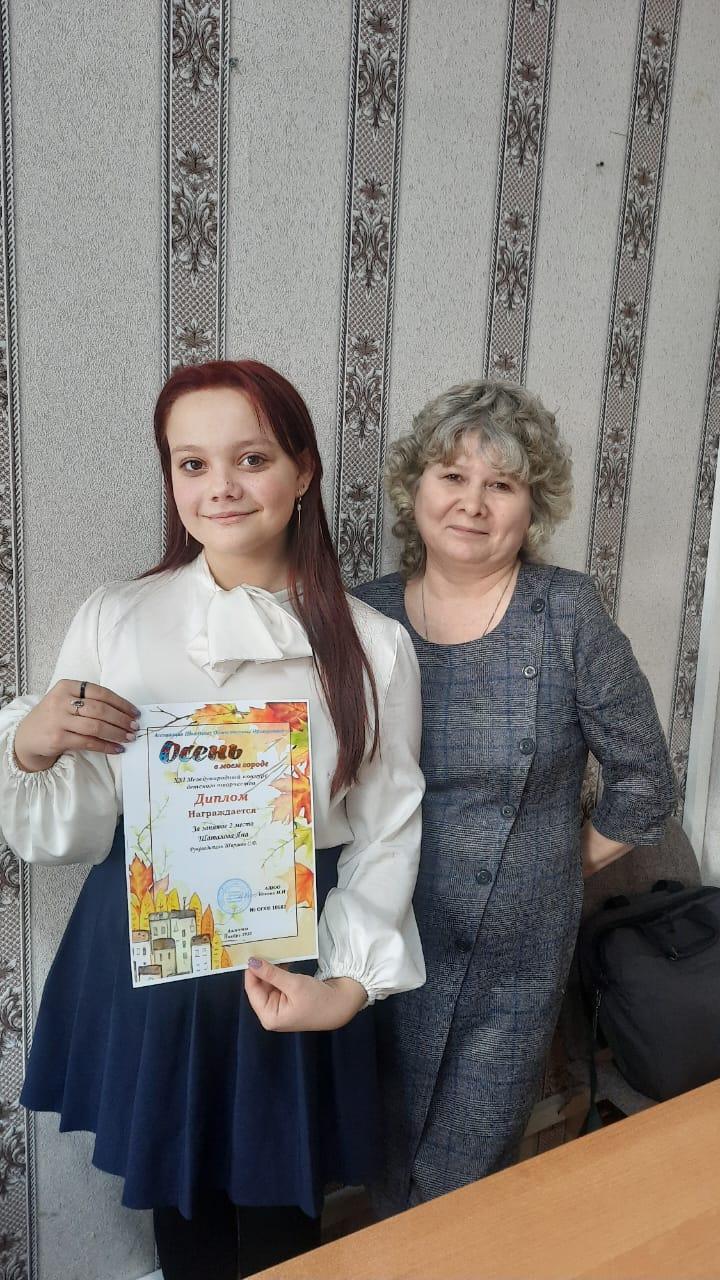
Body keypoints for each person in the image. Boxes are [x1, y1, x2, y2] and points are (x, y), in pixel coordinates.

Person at [0, 360, 425, 1278]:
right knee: (180, 1196)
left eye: (252, 458)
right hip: (148, 945)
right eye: (192, 463)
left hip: (295, 950)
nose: (220, 486)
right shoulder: (118, 617)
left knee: (283, 1211)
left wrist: (349, 984)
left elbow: (389, 828)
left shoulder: (375, 646)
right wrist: (30, 748)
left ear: (304, 470)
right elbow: (78, 824)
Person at [353, 379, 675, 1215]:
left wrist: (554, 869)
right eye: (452, 476)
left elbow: (646, 781)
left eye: (501, 484)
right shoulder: (366, 615)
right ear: (414, 488)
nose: (473, 503)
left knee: (456, 1180)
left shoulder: (565, 613)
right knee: (380, 1155)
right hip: (383, 939)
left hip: (512, 964)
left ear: (532, 507)